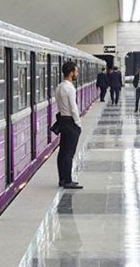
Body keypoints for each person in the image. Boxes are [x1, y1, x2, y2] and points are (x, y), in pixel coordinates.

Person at [55, 61, 83, 189]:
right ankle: (68, 181)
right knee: (69, 153)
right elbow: (74, 108)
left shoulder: (59, 86)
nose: (76, 74)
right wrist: (78, 123)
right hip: (70, 121)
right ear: (71, 72)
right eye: (76, 71)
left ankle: (62, 179)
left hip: (62, 120)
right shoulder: (70, 88)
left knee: (62, 152)